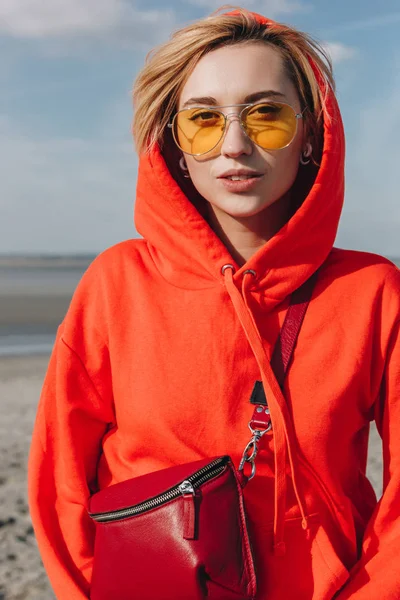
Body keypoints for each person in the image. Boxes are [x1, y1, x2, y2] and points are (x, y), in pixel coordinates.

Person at [28, 6, 400, 600]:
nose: (234, 144)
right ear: (175, 146)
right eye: (203, 120)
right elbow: (60, 482)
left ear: (311, 135)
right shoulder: (116, 282)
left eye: (266, 114)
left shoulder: (372, 292)